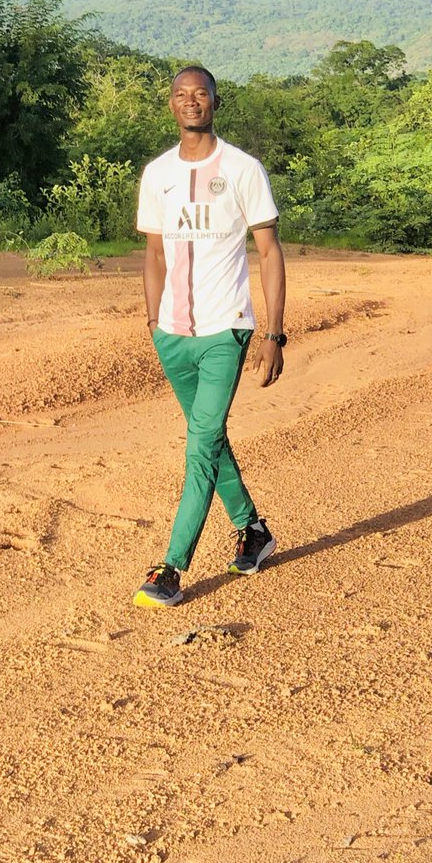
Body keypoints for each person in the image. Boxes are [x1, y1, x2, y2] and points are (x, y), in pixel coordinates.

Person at [133, 65, 287, 608]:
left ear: (215, 102)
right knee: (210, 437)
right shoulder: (158, 174)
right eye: (181, 95)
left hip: (227, 330)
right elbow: (153, 253)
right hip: (172, 335)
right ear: (171, 104)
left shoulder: (243, 169)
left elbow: (268, 252)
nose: (190, 102)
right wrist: (153, 323)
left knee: (198, 448)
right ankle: (254, 531)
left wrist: (273, 334)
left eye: (200, 94)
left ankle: (171, 568)